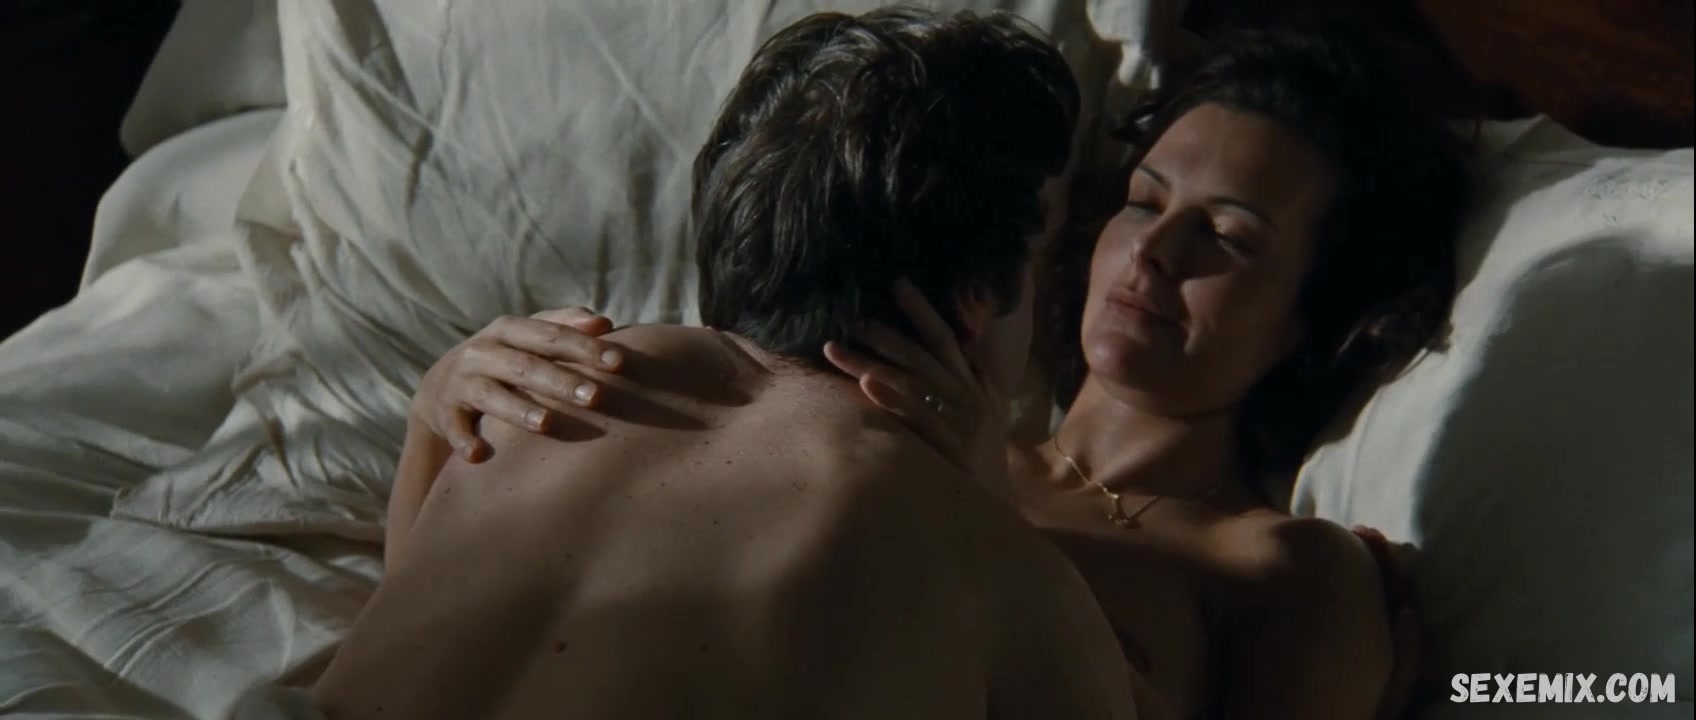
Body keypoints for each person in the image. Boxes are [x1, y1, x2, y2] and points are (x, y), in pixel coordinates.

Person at [413, 26, 1476, 720]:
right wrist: (440, 409)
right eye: (1143, 202)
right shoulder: (829, 423)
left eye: (1228, 238)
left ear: (1321, 314)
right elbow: (473, 627)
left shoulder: (1280, 567)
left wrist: (982, 511)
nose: (1155, 252)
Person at [309, 8, 1149, 719]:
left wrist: (431, 411)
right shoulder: (995, 566)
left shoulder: (545, 381)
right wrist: (993, 505)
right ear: (976, 302)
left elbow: (410, 617)